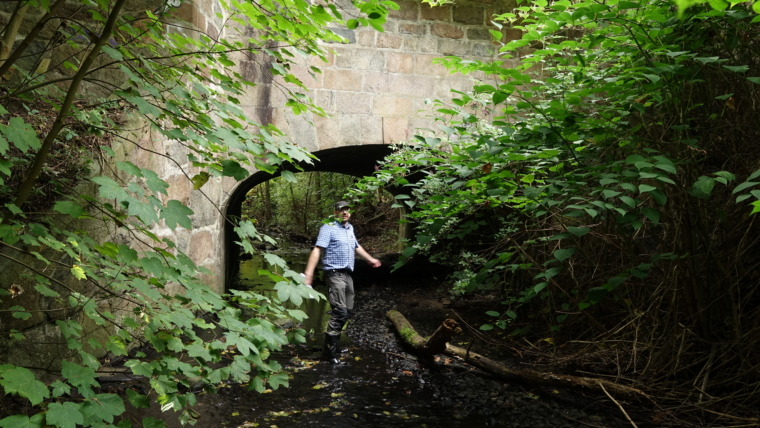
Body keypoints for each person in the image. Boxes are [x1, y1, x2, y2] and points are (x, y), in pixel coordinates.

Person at [303, 200, 382, 364]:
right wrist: (309, 274)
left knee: (348, 311)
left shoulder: (349, 228)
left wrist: (370, 259)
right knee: (340, 311)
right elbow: (317, 249)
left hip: (347, 274)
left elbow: (356, 246)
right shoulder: (328, 227)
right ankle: (328, 353)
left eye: (347, 209)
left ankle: (333, 344)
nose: (345, 212)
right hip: (333, 274)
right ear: (335, 212)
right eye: (341, 210)